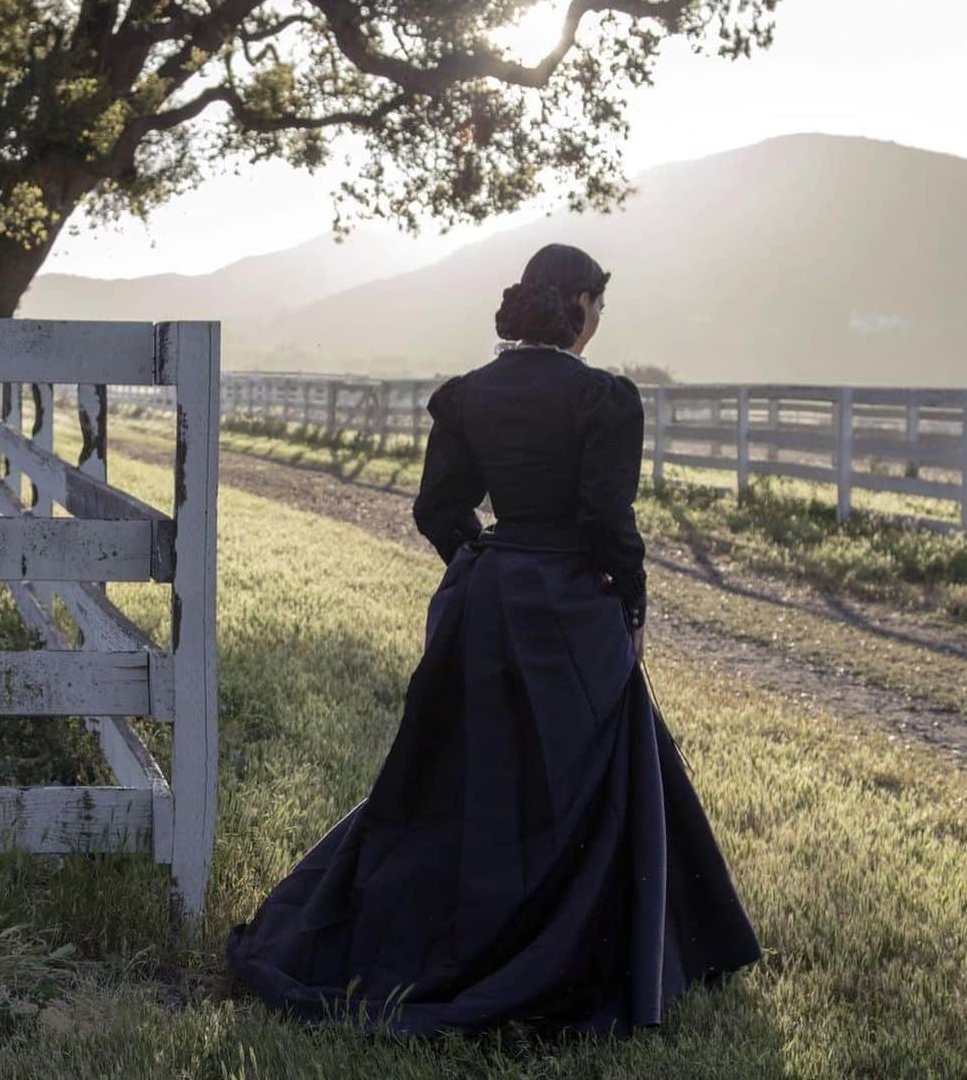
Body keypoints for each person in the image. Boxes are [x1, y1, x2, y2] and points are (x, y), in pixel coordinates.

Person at [224, 242, 763, 1038]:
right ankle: (590, 956)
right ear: (579, 305)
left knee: (460, 777)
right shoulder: (604, 400)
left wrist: (483, 566)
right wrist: (633, 611)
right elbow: (611, 527)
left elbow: (437, 509)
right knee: (581, 781)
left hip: (485, 600)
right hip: (574, 607)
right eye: (600, 307)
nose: (599, 323)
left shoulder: (467, 394)